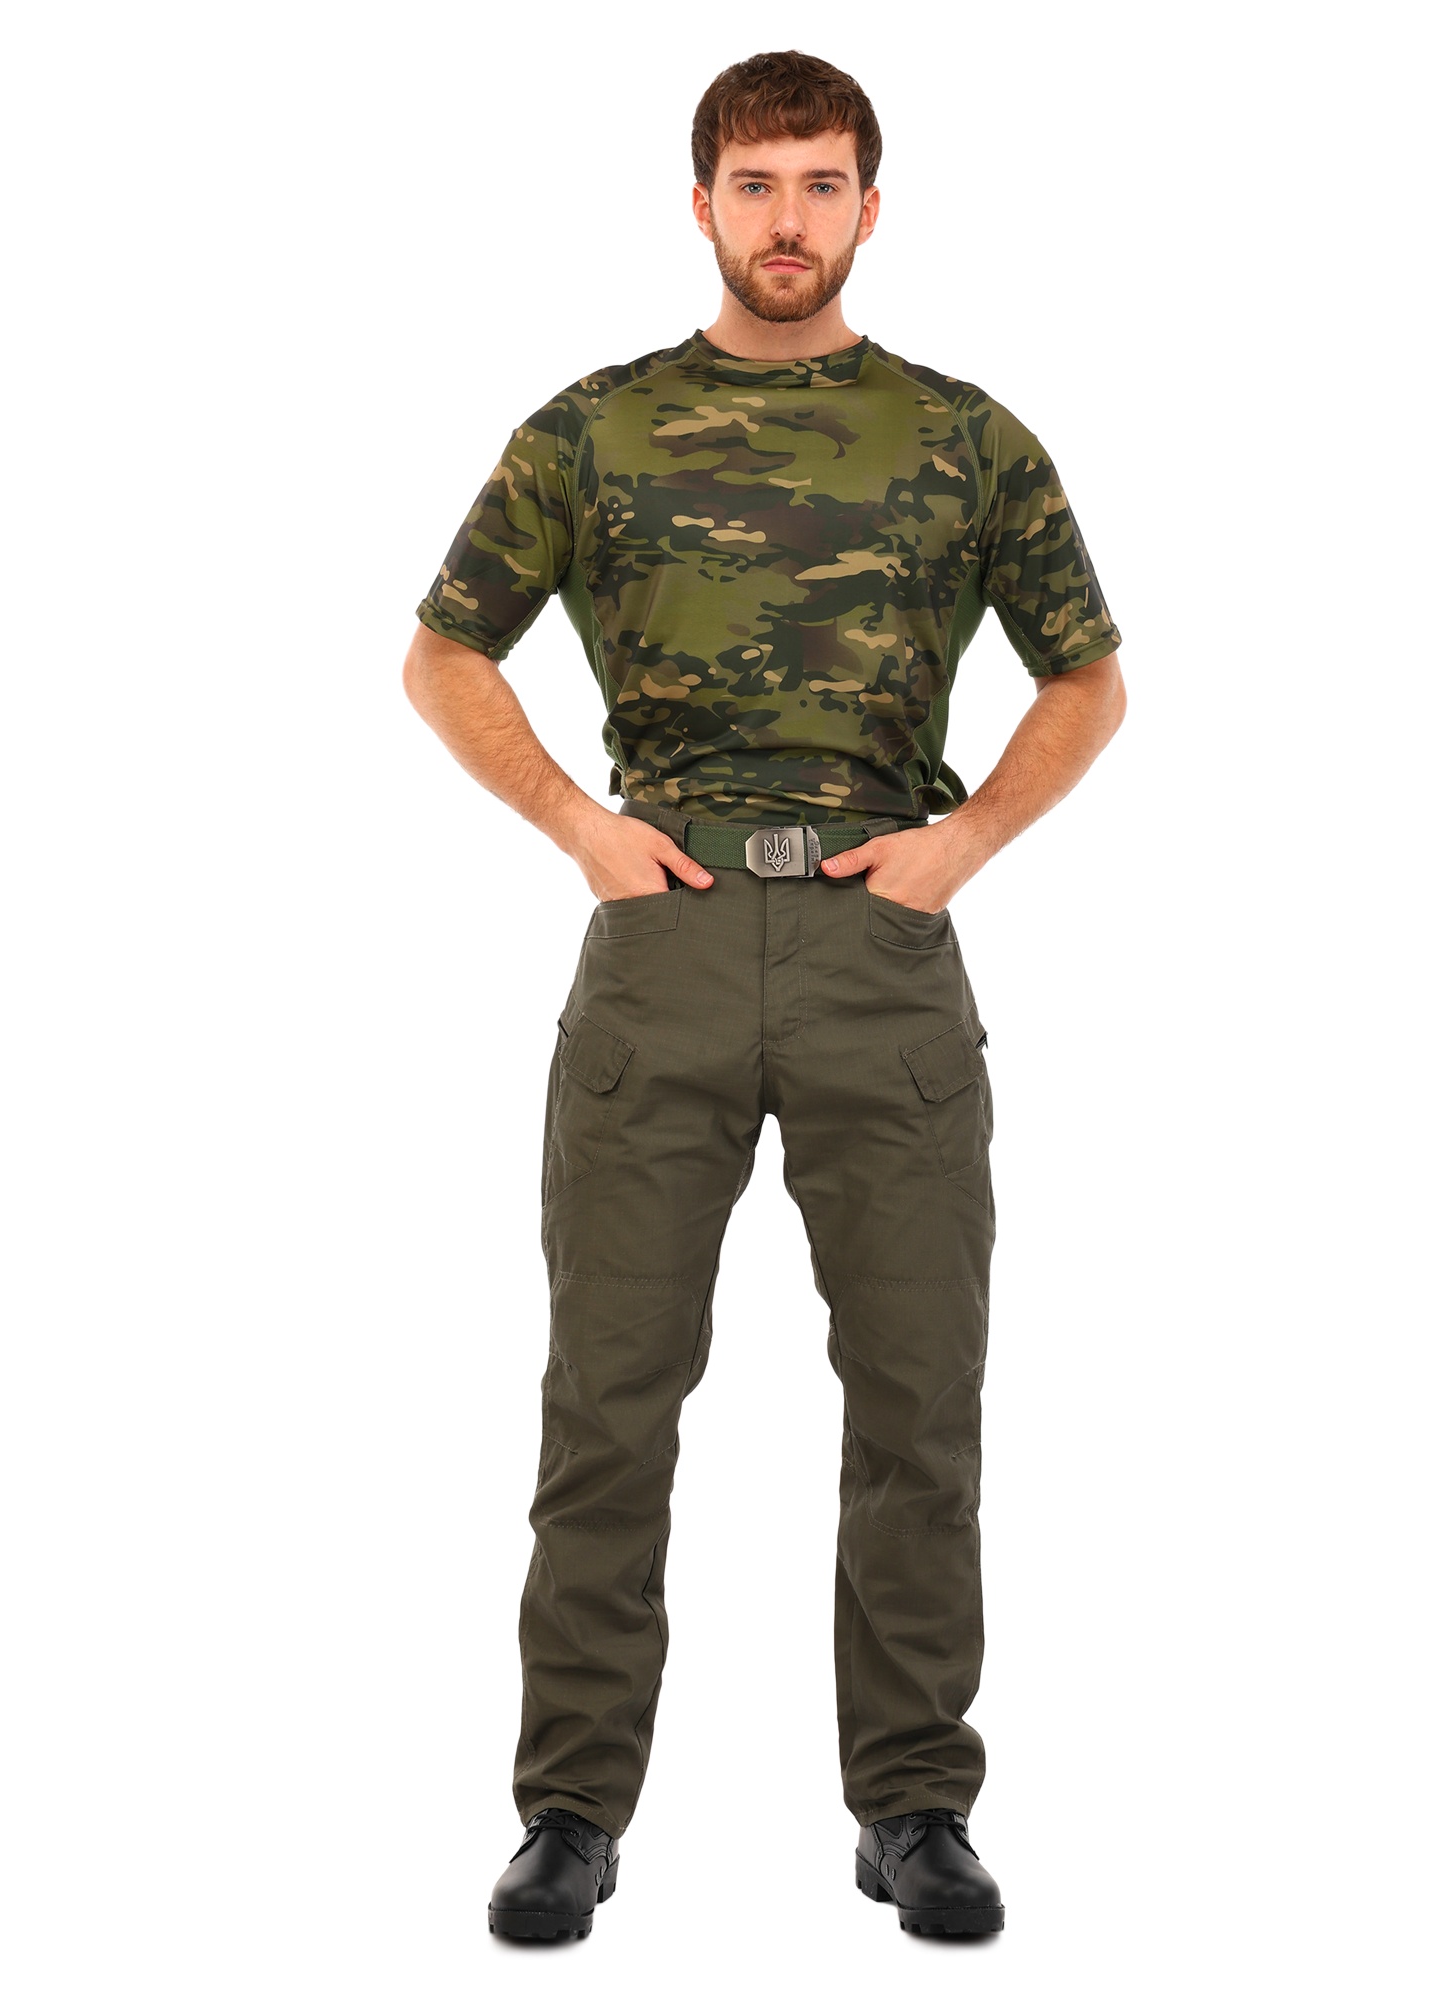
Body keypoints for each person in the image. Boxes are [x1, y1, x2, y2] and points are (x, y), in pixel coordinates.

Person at [403, 48, 1127, 1943]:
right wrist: (577, 824)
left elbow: (1088, 679)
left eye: (819, 184)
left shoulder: (964, 439)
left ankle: (915, 1805)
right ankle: (570, 1810)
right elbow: (444, 652)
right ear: (701, 204)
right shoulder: (596, 432)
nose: (786, 219)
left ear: (871, 207)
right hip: (666, 935)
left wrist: (968, 841)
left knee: (917, 1400)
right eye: (754, 183)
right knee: (609, 1402)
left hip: (885, 946)